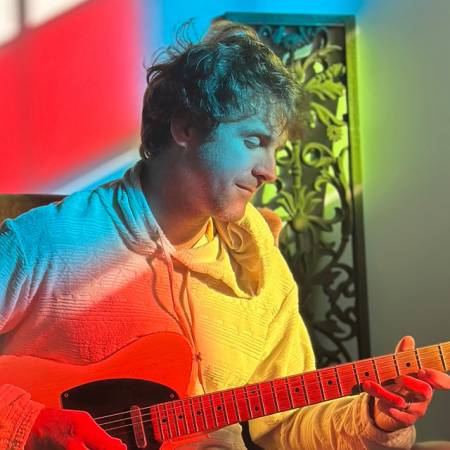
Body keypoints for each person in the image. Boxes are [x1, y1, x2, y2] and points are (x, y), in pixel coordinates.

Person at [0, 20, 448, 450]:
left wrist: (376, 417)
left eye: (276, 150)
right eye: (254, 141)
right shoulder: (47, 241)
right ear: (186, 127)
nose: (269, 171)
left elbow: (287, 422)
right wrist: (30, 425)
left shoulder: (260, 265)